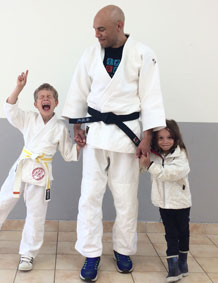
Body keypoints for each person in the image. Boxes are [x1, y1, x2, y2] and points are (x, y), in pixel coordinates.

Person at [62, 4, 166, 282]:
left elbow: (151, 97)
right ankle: (91, 253)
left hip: (128, 136)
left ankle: (122, 249)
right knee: (90, 197)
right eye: (95, 29)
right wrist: (77, 126)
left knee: (126, 198)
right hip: (95, 134)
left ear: (119, 26)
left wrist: (147, 136)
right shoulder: (90, 54)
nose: (96, 34)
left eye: (101, 29)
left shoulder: (143, 54)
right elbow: (78, 91)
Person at [0, 70, 80, 271]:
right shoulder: (28, 118)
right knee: (3, 199)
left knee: (36, 214)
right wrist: (19, 87)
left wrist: (80, 143)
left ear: (56, 103)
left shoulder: (60, 126)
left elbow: (69, 155)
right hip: (22, 166)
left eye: (49, 97)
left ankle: (28, 254)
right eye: (41, 97)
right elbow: (10, 110)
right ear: (35, 104)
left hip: (42, 172)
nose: (45, 99)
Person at [140, 119, 191, 282]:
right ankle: (173, 268)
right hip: (163, 202)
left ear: (176, 138)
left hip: (181, 202)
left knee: (183, 233)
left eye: (169, 137)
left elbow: (172, 174)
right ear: (155, 139)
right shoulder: (154, 155)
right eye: (160, 138)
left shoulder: (181, 154)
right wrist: (142, 160)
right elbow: (143, 168)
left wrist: (150, 166)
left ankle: (183, 262)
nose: (165, 141)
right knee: (170, 233)